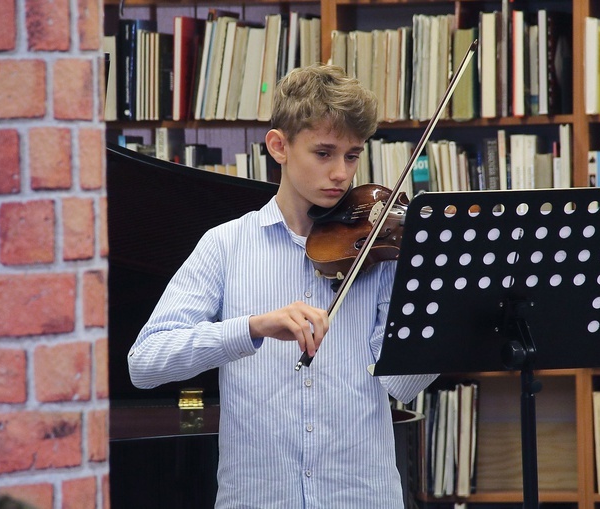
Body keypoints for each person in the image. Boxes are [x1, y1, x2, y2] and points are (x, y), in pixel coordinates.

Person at [128, 64, 436, 508]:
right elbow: (145, 363)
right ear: (279, 146)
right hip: (259, 497)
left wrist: (435, 302)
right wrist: (251, 327)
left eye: (352, 156)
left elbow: (401, 384)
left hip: (360, 496)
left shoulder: (379, 251)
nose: (340, 174)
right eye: (324, 153)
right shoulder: (226, 245)